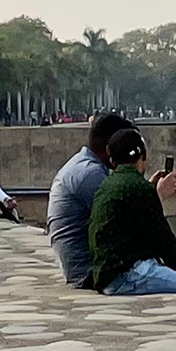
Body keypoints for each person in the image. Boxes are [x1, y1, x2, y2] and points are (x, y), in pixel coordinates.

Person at [86, 128, 176, 303]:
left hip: (106, 276)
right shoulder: (138, 188)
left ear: (112, 160)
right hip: (129, 276)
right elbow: (165, 243)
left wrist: (150, 189)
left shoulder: (108, 185)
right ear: (143, 155)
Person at [49, 113, 139, 288]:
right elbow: (125, 221)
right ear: (109, 148)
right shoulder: (90, 174)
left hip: (85, 267)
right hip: (88, 271)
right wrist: (156, 195)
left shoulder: (86, 165)